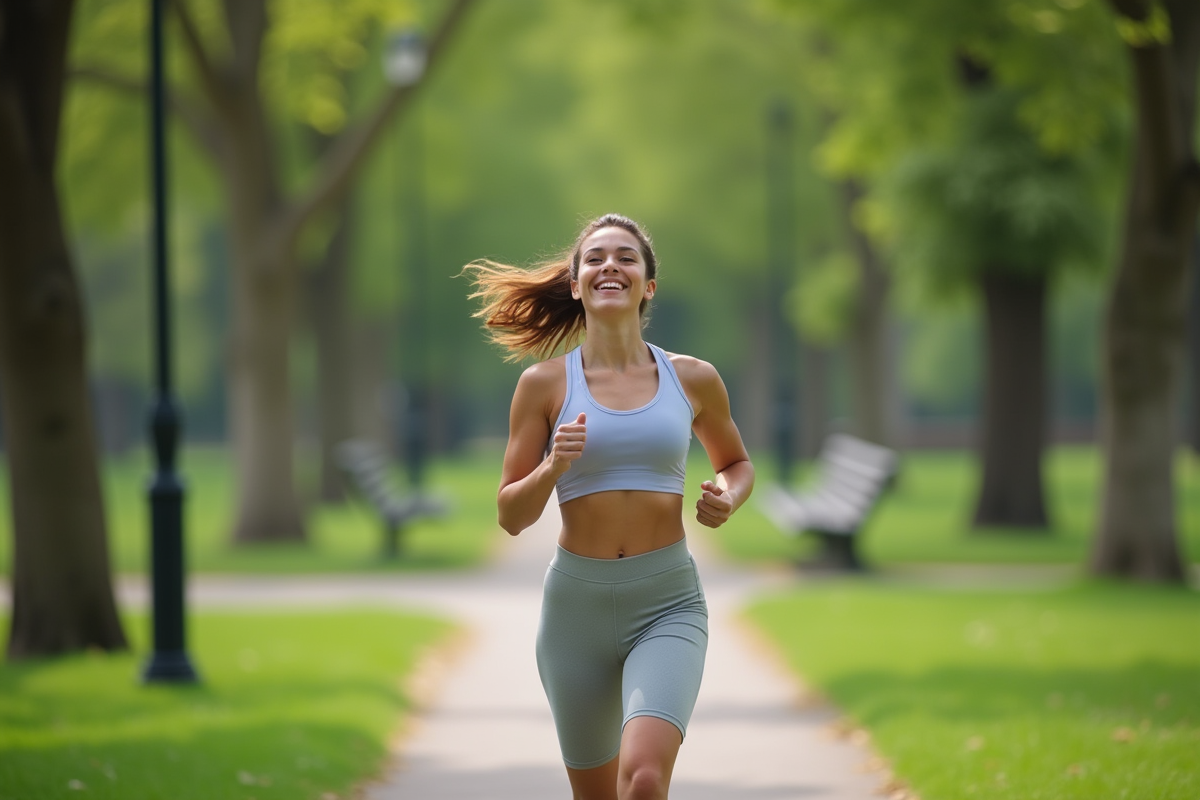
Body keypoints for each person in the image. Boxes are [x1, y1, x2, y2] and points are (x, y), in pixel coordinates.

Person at [465, 213, 754, 800]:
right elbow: (510, 516)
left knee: (644, 778)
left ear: (648, 286)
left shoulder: (692, 378)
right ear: (576, 285)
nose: (609, 266)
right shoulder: (543, 385)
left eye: (626, 257)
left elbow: (736, 464)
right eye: (594, 258)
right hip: (576, 611)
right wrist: (552, 467)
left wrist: (728, 496)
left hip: (666, 602)